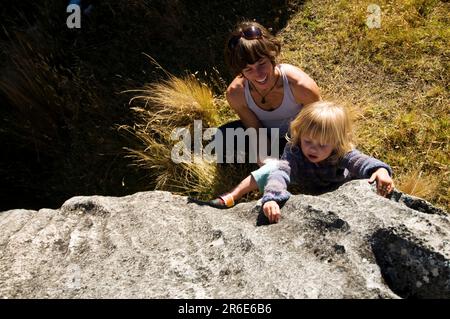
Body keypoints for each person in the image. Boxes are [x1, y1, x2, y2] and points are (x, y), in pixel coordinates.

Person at [209, 20, 320, 208]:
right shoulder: (236, 93)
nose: (258, 74)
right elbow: (255, 130)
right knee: (223, 137)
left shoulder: (299, 85)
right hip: (267, 135)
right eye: (248, 69)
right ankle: (267, 174)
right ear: (240, 71)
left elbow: (322, 124)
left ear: (272, 56)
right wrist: (265, 160)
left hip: (301, 136)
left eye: (262, 63)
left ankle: (239, 192)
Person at [260, 101, 395, 223]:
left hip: (341, 191)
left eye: (323, 145)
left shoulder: (340, 152)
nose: (313, 148)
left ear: (337, 143)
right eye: (307, 141)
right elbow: (281, 171)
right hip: (310, 191)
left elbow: (359, 160)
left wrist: (380, 170)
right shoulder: (294, 150)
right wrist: (272, 196)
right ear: (299, 134)